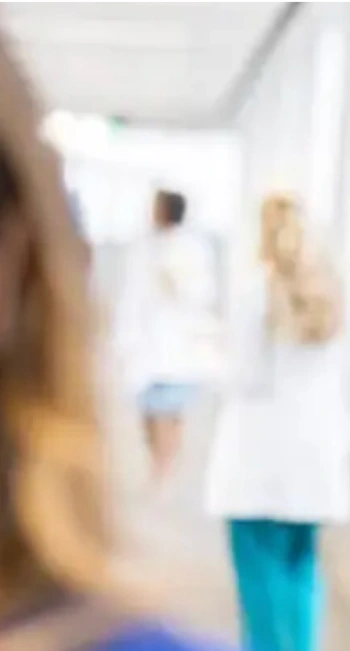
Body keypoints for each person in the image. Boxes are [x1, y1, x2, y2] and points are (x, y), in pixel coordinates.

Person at [0, 31, 232, 651]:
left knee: (167, 413)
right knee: (163, 413)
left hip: (168, 353)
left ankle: (165, 467)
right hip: (161, 353)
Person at [205, 193, 350, 651]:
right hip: (314, 461)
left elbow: (244, 375)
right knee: (301, 574)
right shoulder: (330, 295)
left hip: (258, 462)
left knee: (259, 583)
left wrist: (211, 351)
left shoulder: (257, 292)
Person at [116, 189, 220, 483]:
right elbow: (131, 297)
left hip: (178, 349)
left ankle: (163, 469)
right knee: (149, 416)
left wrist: (177, 284)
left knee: (168, 412)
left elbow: (204, 295)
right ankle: (159, 460)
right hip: (145, 347)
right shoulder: (143, 247)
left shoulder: (193, 249)